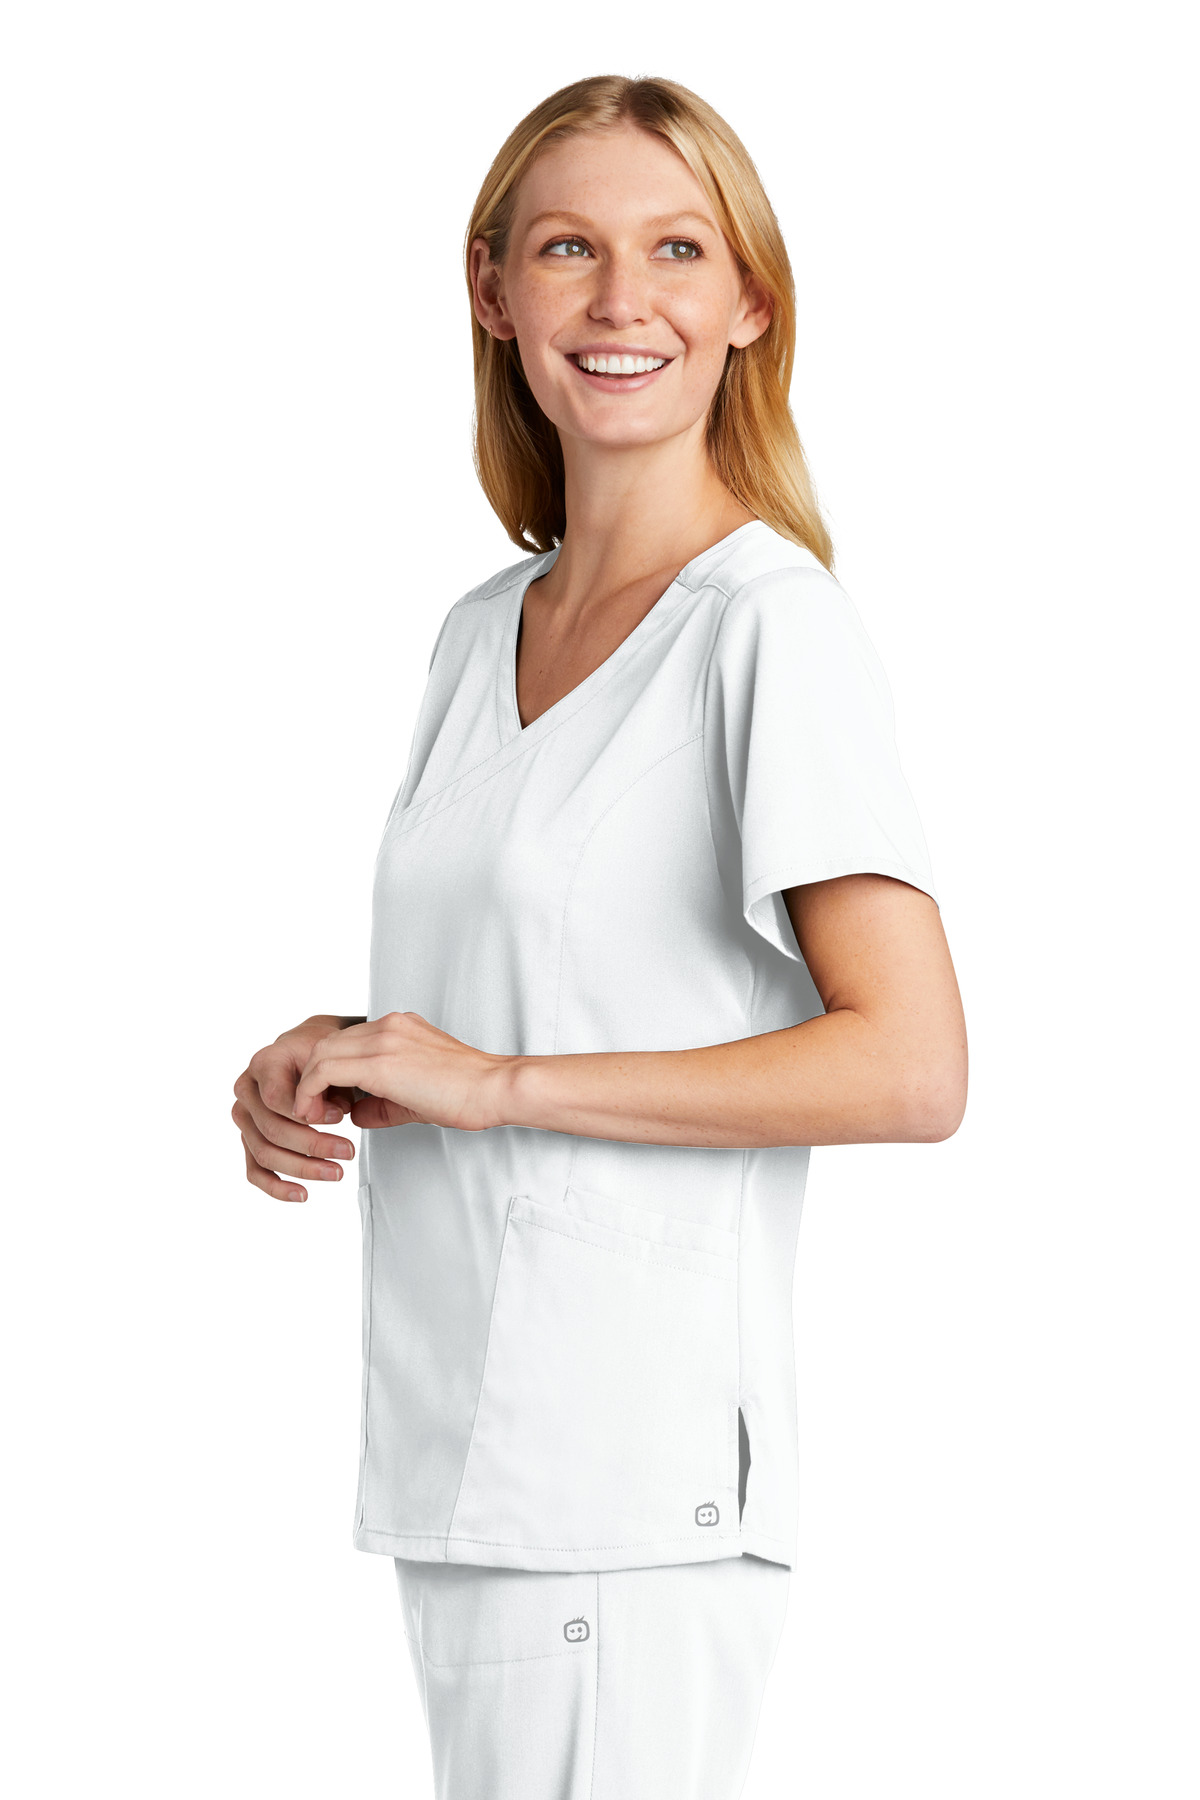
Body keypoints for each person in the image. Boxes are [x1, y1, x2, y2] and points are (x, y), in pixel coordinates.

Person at [231, 73, 967, 1800]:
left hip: (625, 1487)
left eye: (678, 250)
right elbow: (535, 976)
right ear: (491, 289)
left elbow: (912, 1065)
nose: (623, 299)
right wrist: (346, 1057)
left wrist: (496, 1081)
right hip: (465, 1461)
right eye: (569, 248)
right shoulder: (479, 632)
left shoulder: (769, 629)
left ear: (750, 303)